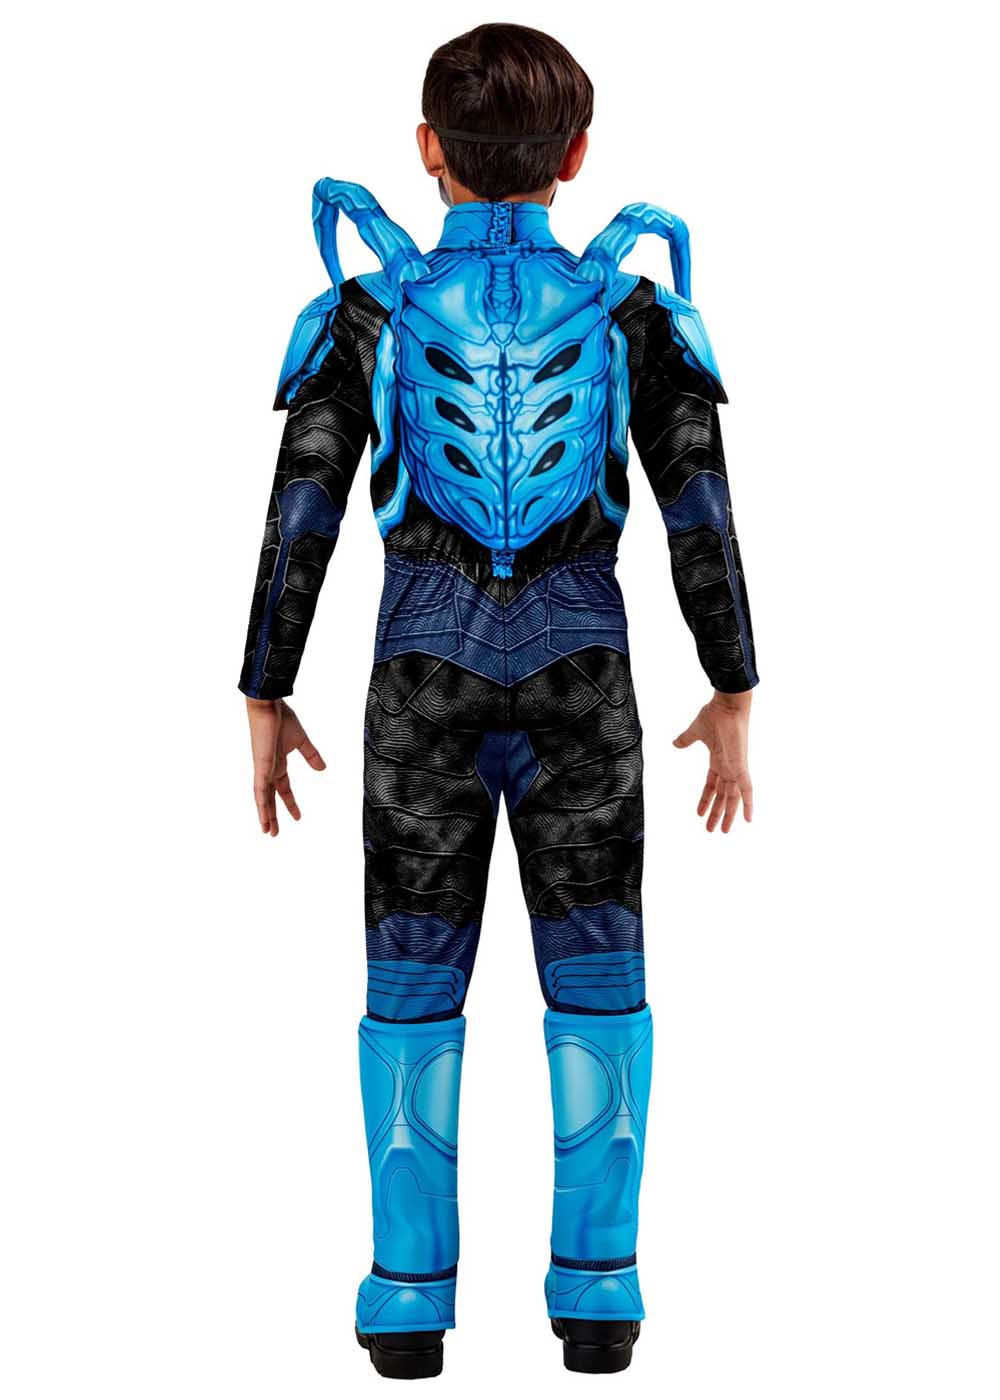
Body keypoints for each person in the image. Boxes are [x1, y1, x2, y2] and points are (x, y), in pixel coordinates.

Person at [238, 21, 757, 1379]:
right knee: (600, 985)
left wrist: (266, 689)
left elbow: (302, 512)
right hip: (586, 676)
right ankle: (600, 1293)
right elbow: (700, 513)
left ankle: (407, 1301)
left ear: (427, 150)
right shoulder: (636, 311)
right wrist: (733, 683)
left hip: (420, 679)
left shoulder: (363, 313)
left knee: (411, 988)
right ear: (576, 158)